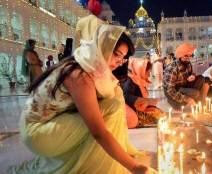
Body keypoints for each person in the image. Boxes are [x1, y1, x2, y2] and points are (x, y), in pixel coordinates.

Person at [8, 25, 151, 174]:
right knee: (111, 107)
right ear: (103, 46)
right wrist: (133, 167)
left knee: (114, 96)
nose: (118, 62)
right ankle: (93, 167)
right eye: (116, 54)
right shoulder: (80, 75)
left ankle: (92, 158)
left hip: (49, 123)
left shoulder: (86, 63)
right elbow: (98, 132)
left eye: (123, 58)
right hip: (37, 133)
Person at [163, 43, 207, 109]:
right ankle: (175, 102)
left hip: (184, 85)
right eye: (186, 56)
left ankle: (200, 103)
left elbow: (191, 74)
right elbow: (170, 90)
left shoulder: (188, 63)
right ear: (180, 55)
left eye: (190, 55)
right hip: (174, 89)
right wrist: (187, 99)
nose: (189, 58)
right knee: (195, 93)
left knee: (202, 78)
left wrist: (192, 76)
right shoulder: (172, 68)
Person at [122, 58, 162, 128]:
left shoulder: (138, 80)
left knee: (160, 114)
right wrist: (148, 101)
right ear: (140, 70)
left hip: (140, 108)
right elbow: (126, 97)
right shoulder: (130, 80)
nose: (149, 75)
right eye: (147, 73)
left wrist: (148, 102)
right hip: (133, 112)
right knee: (159, 118)